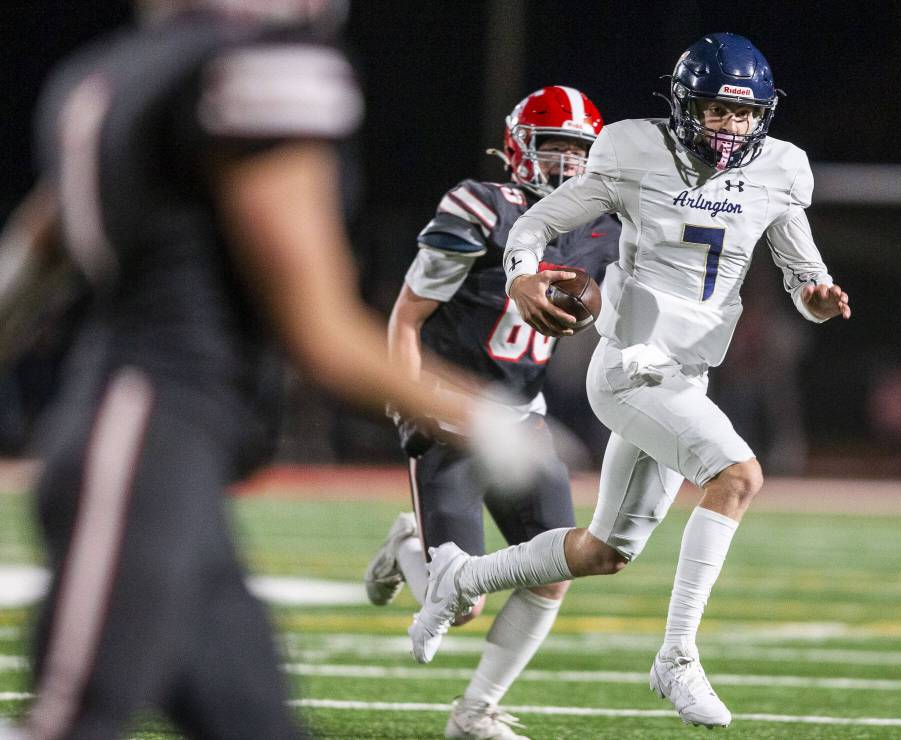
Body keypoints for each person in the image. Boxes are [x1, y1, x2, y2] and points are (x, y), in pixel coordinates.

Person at [4, 1, 538, 737]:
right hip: (146, 440)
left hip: (148, 452)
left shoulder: (104, 71)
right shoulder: (255, 67)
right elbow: (318, 332)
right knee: (74, 722)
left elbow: (34, 253)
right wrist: (480, 416)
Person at [407, 32, 852, 730]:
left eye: (743, 115)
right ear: (683, 106)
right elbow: (537, 224)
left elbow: (803, 272)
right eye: (715, 111)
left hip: (688, 375)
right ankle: (676, 656)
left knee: (602, 552)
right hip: (633, 365)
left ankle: (461, 576)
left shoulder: (781, 170)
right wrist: (522, 279)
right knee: (738, 476)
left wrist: (816, 298)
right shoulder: (633, 151)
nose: (730, 128)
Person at [364, 86, 619, 740]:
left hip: (520, 416)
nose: (565, 165)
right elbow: (407, 314)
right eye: (552, 148)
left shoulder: (602, 227)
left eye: (577, 151)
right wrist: (408, 401)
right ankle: (410, 548)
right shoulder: (481, 209)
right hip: (450, 411)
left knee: (556, 568)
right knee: (466, 604)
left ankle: (474, 714)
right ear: (518, 149)